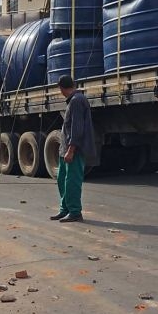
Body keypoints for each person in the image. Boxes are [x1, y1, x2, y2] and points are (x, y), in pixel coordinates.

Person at [50, 75, 96, 223]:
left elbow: (77, 128)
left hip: (73, 149)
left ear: (61, 88)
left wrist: (71, 149)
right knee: (62, 179)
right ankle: (65, 209)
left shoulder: (77, 101)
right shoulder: (74, 100)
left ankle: (75, 212)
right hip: (65, 149)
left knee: (72, 181)